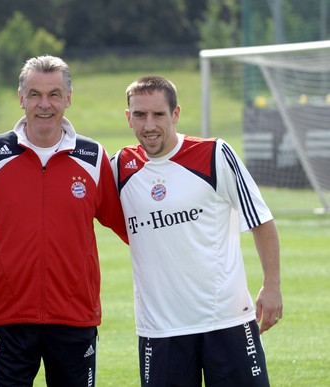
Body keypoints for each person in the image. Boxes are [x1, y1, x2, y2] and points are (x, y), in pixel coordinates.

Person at [0, 55, 128, 387]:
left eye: (54, 94)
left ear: (68, 98)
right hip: (9, 316)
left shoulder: (93, 157)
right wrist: (4, 234)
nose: (44, 104)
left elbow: (124, 223)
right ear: (21, 98)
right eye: (35, 94)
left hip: (74, 317)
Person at [110, 75, 283, 386]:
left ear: (176, 114)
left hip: (227, 321)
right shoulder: (119, 168)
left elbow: (261, 220)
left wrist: (271, 286)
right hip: (160, 331)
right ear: (128, 118)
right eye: (140, 115)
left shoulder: (214, 154)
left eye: (158, 114)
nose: (149, 125)